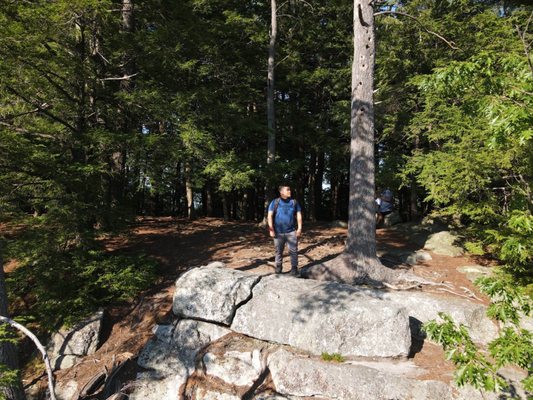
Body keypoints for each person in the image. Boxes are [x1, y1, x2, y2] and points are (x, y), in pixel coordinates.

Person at [267, 185, 303, 276]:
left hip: (291, 232)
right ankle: (278, 268)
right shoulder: (275, 202)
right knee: (278, 251)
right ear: (281, 192)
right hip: (278, 232)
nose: (290, 191)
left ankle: (294, 269)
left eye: (289, 189)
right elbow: (269, 216)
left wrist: (299, 228)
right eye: (287, 190)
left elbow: (299, 215)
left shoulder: (294, 202)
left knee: (293, 251)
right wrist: (271, 229)